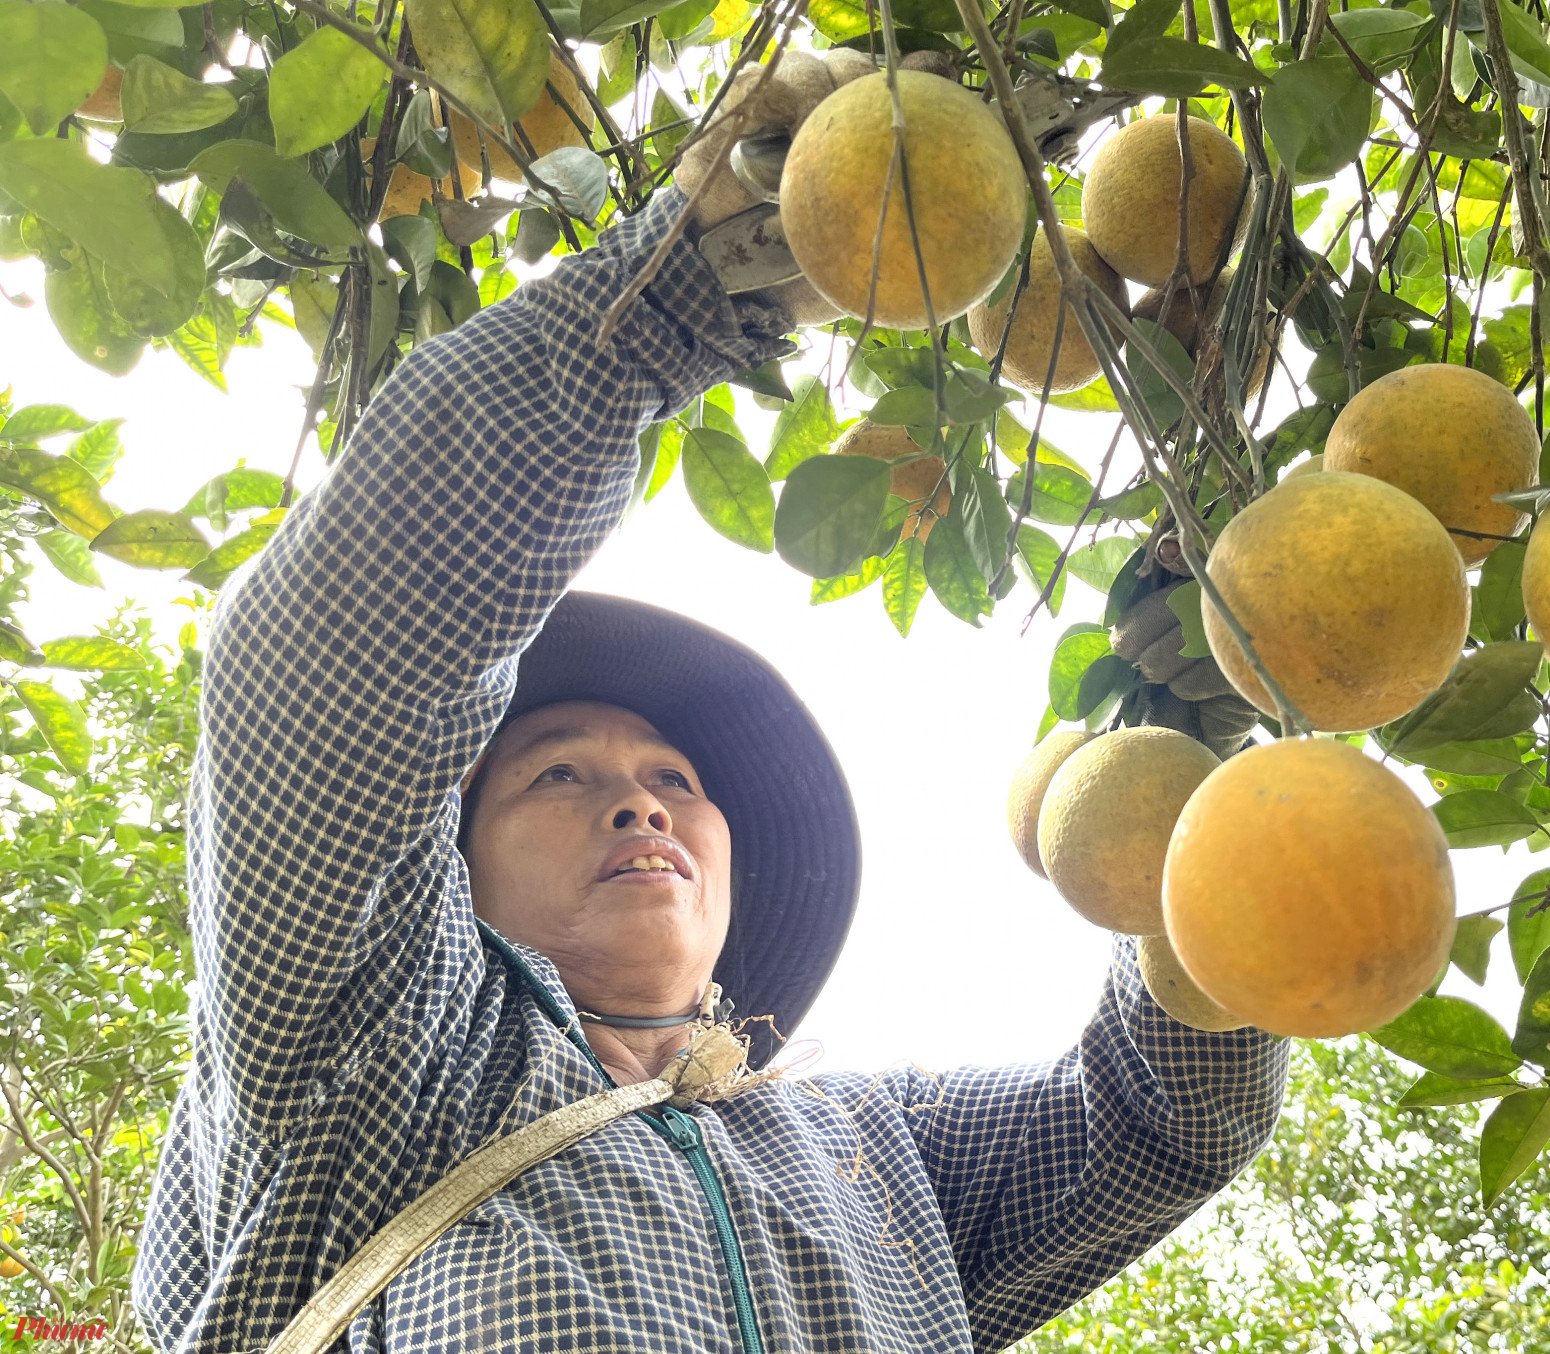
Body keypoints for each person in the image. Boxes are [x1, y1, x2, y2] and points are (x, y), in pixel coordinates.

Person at [132, 49, 1290, 1354]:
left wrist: (1202, 757)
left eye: (678, 781)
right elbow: (339, 667)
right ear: (447, 860)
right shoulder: (380, 1055)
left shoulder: (873, 1154)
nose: (638, 795)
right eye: (557, 771)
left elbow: (1159, 1117)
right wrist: (681, 282)